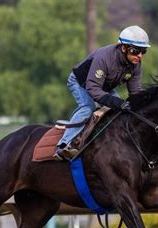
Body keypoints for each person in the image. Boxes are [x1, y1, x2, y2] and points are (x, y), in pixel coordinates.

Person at [54, 25, 150, 160]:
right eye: (135, 51)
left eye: (143, 51)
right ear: (123, 48)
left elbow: (135, 92)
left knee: (120, 112)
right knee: (88, 108)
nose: (139, 56)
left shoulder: (135, 64)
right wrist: (116, 102)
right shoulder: (104, 58)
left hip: (103, 85)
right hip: (81, 82)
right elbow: (93, 88)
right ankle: (63, 145)